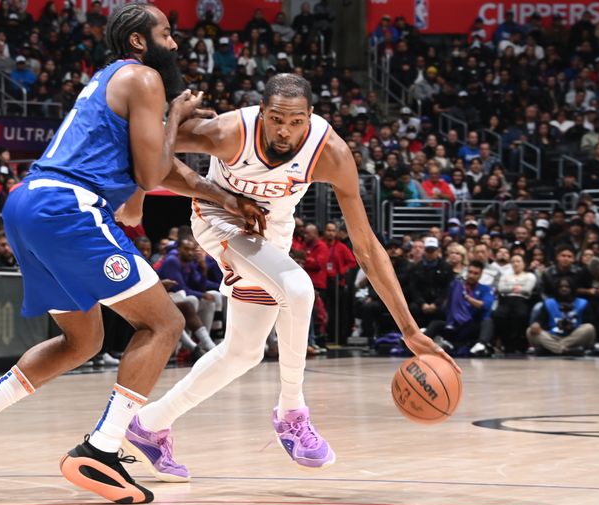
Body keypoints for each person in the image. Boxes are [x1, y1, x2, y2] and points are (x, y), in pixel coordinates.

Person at [0, 4, 264, 505]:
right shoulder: (143, 78)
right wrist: (176, 119)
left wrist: (226, 199)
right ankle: (101, 451)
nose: (175, 43)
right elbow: (150, 176)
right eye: (165, 33)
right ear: (139, 42)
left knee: (81, 341)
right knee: (164, 325)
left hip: (28, 205)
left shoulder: (113, 80)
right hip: (67, 208)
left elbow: (148, 182)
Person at [120, 74, 460, 483]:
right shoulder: (229, 132)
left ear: (310, 117)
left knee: (244, 353)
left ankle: (149, 427)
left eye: (296, 121)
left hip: (271, 234)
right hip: (218, 221)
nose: (285, 130)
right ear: (262, 113)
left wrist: (409, 329)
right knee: (298, 288)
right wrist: (139, 195)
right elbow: (147, 145)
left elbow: (367, 248)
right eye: (276, 119)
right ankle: (292, 414)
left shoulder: (330, 152)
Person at [426, 260, 495, 356]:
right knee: (436, 324)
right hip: (455, 325)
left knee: (488, 321)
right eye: (470, 272)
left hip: (472, 325)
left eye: (476, 273)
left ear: (480, 275)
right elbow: (444, 307)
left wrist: (467, 298)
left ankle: (481, 345)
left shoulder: (486, 289)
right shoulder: (457, 286)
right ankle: (419, 344)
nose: (472, 275)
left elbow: (485, 305)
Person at [527, 278, 596, 355]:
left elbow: (589, 323)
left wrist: (572, 327)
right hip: (552, 337)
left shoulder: (583, 303)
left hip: (574, 338)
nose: (564, 289)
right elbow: (541, 321)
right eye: (561, 287)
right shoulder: (549, 303)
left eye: (567, 287)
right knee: (530, 331)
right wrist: (536, 324)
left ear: (572, 288)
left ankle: (550, 350)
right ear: (556, 289)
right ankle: (566, 351)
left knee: (589, 328)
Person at [493, 254, 537, 353]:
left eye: (518, 261)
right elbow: (501, 289)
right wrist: (516, 288)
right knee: (498, 315)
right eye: (513, 262)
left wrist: (510, 287)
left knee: (520, 315)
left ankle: (517, 343)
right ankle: (506, 342)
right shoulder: (505, 276)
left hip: (522, 300)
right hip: (506, 300)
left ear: (524, 264)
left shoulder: (529, 276)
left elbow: (527, 290)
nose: (515, 264)